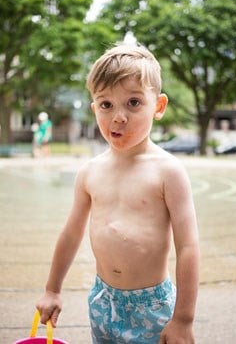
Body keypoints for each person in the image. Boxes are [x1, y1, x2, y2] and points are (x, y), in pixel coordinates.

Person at [36, 44, 200, 343]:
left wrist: (183, 319)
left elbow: (187, 246)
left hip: (154, 306)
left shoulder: (168, 172)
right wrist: (52, 289)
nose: (118, 117)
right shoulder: (89, 172)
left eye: (134, 102)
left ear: (159, 106)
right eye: (106, 104)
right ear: (94, 108)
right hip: (102, 300)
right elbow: (71, 234)